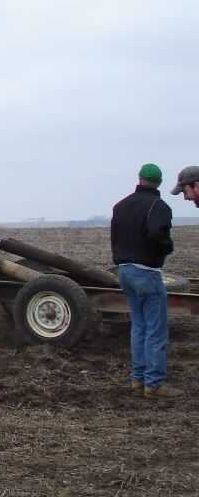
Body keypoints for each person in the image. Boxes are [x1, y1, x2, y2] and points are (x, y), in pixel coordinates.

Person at [110, 163, 182, 399]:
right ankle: (154, 384)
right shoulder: (158, 206)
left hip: (124, 271)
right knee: (156, 330)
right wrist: (166, 248)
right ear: (159, 183)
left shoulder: (120, 206)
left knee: (139, 326)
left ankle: (137, 380)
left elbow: (115, 238)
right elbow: (156, 235)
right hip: (146, 272)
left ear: (139, 179)